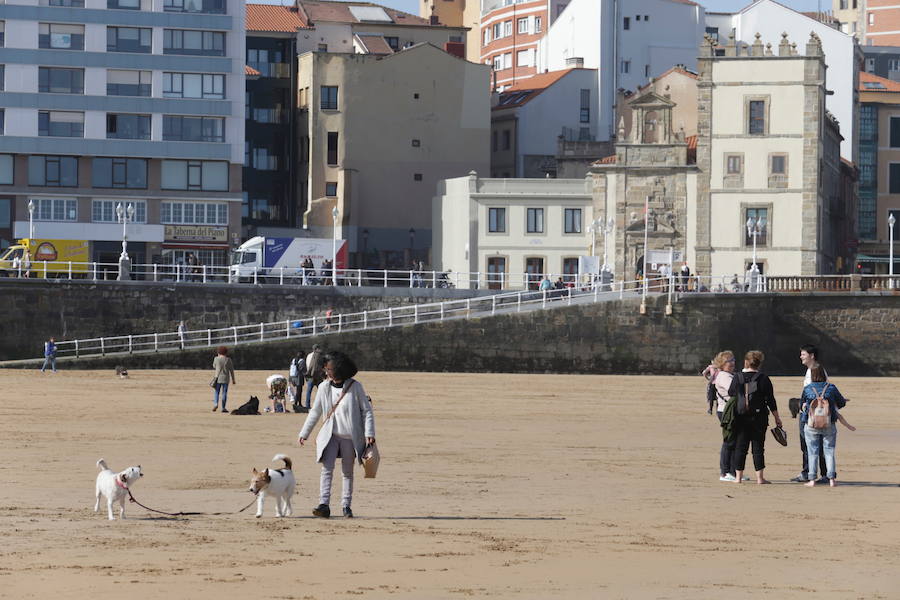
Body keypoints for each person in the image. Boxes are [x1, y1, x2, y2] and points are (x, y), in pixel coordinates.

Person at [298, 351, 375, 519]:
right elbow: (315, 411)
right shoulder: (324, 387)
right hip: (330, 435)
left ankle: (346, 506)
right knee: (327, 470)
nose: (326, 371)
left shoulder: (356, 387)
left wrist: (369, 433)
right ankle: (323, 504)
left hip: (350, 437)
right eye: (325, 368)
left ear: (339, 369)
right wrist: (305, 433)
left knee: (347, 472)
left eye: (329, 368)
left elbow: (367, 411)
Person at [731, 351, 783, 485]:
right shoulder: (763, 378)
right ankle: (760, 478)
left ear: (746, 362)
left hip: (741, 416)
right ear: (759, 364)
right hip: (759, 417)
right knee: (758, 447)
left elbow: (731, 393)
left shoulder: (737, 377)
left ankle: (738, 478)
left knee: (741, 447)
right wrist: (777, 417)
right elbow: (771, 400)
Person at [801, 366, 848, 487]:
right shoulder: (831, 388)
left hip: (811, 424)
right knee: (829, 451)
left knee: (812, 452)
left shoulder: (807, 388)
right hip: (829, 423)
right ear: (824, 375)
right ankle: (831, 478)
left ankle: (812, 479)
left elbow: (802, 405)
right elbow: (842, 402)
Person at [791, 344, 830, 483]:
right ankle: (814, 472)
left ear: (812, 355)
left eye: (803, 354)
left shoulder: (816, 371)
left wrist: (804, 403)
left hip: (812, 414)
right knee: (813, 445)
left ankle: (811, 473)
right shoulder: (812, 370)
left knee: (810, 444)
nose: (801, 356)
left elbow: (818, 393)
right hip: (814, 412)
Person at [712, 351, 740, 482]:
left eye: (733, 360)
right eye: (729, 361)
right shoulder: (724, 376)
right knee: (729, 441)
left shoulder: (730, 375)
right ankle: (725, 472)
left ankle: (734, 472)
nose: (732, 363)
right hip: (726, 411)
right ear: (722, 364)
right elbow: (734, 389)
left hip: (733, 410)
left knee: (736, 441)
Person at [211, 346, 236, 413]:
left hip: (217, 378)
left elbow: (214, 366)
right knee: (224, 393)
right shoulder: (228, 359)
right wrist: (233, 379)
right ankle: (223, 407)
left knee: (217, 392)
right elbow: (231, 370)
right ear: (226, 352)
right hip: (226, 379)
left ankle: (216, 403)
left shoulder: (216, 359)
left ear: (218, 352)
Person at [304, 344, 325, 409]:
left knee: (309, 391)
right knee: (322, 391)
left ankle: (307, 405)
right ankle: (323, 405)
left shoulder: (309, 355)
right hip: (317, 375)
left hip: (310, 375)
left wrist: (308, 373)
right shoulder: (319, 355)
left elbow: (308, 365)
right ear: (317, 348)